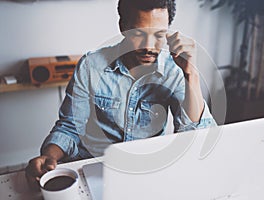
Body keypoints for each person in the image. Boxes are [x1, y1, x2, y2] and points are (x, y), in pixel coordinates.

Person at [25, 0, 216, 190]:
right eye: (138, 34)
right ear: (123, 27)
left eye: (159, 35)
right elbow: (70, 128)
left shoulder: (174, 70)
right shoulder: (91, 65)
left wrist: (192, 74)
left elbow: (196, 136)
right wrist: (49, 157)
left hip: (145, 172)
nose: (149, 47)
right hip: (93, 167)